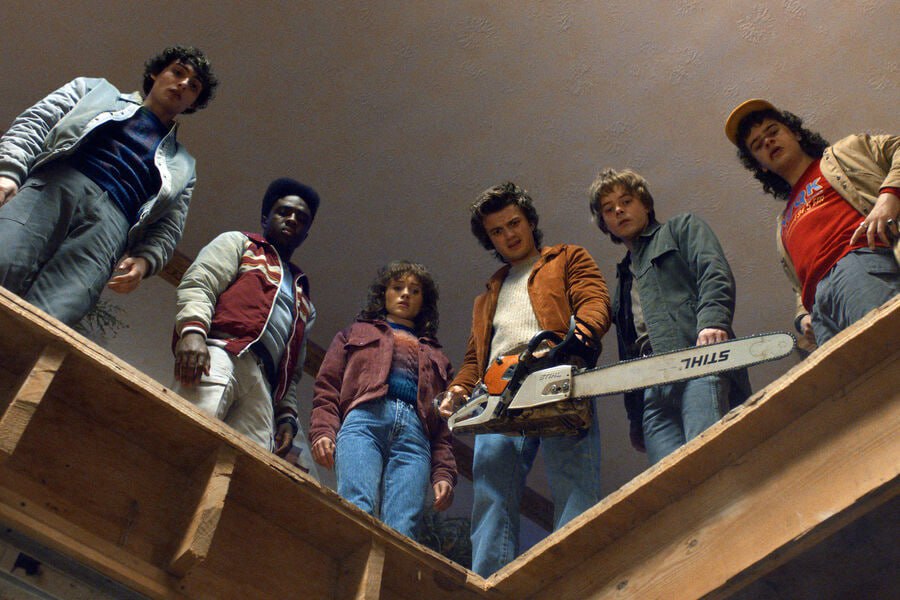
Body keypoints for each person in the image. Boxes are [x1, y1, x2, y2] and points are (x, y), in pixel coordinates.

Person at [438, 181, 610, 577]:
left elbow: (593, 299)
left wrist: (581, 335)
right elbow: (474, 357)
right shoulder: (487, 297)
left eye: (514, 223)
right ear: (490, 240)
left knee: (573, 480)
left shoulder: (566, 257)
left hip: (554, 371)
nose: (509, 235)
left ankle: (575, 576)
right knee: (491, 491)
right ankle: (488, 582)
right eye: (497, 231)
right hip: (497, 388)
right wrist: (459, 388)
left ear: (529, 221)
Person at [0, 46, 218, 326]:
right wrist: (9, 172)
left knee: (54, 314)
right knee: (4, 257)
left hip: (111, 227)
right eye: (177, 72)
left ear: (193, 103)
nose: (184, 84)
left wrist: (145, 260)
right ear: (155, 73)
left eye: (194, 86)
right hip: (53, 187)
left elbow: (169, 227)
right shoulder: (93, 91)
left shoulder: (184, 166)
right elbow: (36, 123)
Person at [588, 168, 751, 465]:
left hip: (696, 360)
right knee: (669, 478)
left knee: (708, 460)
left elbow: (713, 271)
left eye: (626, 201)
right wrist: (635, 414)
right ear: (605, 223)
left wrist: (713, 321)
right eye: (609, 209)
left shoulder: (681, 229)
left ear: (645, 204)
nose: (619, 211)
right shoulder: (622, 280)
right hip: (652, 388)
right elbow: (628, 350)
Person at [725, 99, 899, 347]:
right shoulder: (782, 223)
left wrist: (889, 198)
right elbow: (801, 281)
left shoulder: (844, 154)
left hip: (859, 267)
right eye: (757, 145)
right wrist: (802, 316)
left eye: (773, 131)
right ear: (760, 166)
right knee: (867, 373)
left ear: (795, 133)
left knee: (889, 350)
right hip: (820, 314)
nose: (768, 142)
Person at [310, 261, 457, 538]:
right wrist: (323, 430)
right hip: (364, 420)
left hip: (416, 437)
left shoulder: (439, 357)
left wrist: (443, 473)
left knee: (403, 530)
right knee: (355, 508)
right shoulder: (354, 333)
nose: (405, 294)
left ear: (423, 300)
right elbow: (327, 386)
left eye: (414, 290)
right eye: (397, 287)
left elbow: (443, 426)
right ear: (384, 293)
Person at [172, 177, 318, 457]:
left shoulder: (304, 298)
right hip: (220, 354)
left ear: (305, 235)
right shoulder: (239, 243)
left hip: (264, 384)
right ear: (265, 218)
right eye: (284, 212)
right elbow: (200, 283)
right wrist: (192, 333)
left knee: (245, 467)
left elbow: (293, 370)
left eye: (301, 218)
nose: (292, 219)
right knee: (186, 438)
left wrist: (286, 415)